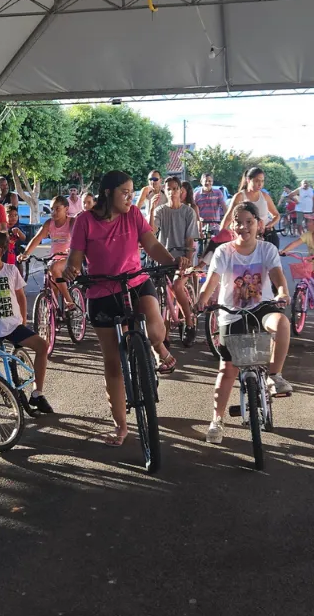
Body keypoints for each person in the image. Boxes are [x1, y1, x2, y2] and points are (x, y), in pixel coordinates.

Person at [64, 170, 178, 447]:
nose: (130, 197)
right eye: (124, 192)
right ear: (107, 193)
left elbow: (151, 244)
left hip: (135, 282)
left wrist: (173, 263)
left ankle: (158, 348)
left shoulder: (134, 215)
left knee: (153, 324)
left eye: (131, 192)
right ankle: (121, 426)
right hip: (101, 290)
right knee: (113, 364)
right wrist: (71, 270)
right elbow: (75, 259)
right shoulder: (85, 221)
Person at [197, 201, 293, 444]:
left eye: (249, 222)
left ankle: (274, 375)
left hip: (263, 310)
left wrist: (282, 292)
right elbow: (212, 280)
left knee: (281, 324)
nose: (244, 227)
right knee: (227, 370)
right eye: (238, 222)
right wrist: (201, 300)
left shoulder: (267, 250)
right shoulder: (223, 251)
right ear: (232, 226)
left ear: (258, 225)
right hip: (232, 313)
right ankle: (217, 421)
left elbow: (277, 277)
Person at [0, 230, 54, 413]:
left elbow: (20, 296)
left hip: (13, 326)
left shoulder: (11, 270)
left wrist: (23, 321)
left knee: (42, 346)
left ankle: (37, 394)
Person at [152, 176, 199, 333]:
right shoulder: (160, 211)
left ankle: (189, 322)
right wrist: (151, 210)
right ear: (165, 191)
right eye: (169, 189)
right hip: (164, 259)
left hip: (183, 260)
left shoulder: (188, 212)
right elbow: (151, 231)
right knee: (159, 293)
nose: (172, 192)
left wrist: (188, 262)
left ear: (181, 190)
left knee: (178, 285)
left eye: (175, 188)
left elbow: (190, 239)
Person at [20, 195, 77, 309]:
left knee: (54, 268)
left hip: (69, 258)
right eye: (52, 209)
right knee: (51, 286)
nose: (54, 212)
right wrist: (25, 254)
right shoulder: (49, 223)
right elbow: (36, 239)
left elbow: (76, 237)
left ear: (66, 209)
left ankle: (68, 301)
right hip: (54, 258)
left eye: (57, 209)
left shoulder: (71, 222)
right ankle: (54, 317)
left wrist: (72, 248)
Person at [221, 166, 281, 247]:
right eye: (257, 181)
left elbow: (276, 215)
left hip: (266, 235)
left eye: (262, 181)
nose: (260, 184)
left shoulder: (265, 196)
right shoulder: (240, 196)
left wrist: (269, 226)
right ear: (248, 180)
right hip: (246, 235)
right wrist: (221, 233)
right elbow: (229, 217)